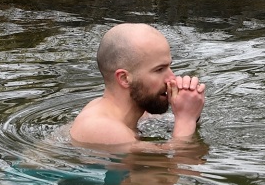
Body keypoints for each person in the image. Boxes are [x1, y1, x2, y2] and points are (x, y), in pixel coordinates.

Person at [69, 23, 207, 151]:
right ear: (124, 78)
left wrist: (190, 112)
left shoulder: (137, 115)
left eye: (169, 66)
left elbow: (181, 125)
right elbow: (177, 169)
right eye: (159, 70)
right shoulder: (104, 128)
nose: (172, 78)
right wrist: (185, 120)